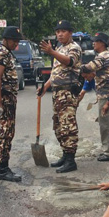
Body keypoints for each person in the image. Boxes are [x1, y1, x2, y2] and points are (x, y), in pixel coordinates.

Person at [38, 20, 82, 173]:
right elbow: (55, 72)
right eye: (58, 31)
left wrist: (51, 52)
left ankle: (71, 160)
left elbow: (69, 62)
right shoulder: (59, 48)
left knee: (68, 126)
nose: (60, 34)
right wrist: (45, 86)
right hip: (57, 92)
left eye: (63, 31)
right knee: (58, 125)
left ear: (70, 33)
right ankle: (65, 154)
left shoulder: (74, 48)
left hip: (68, 92)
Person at [0, 26, 23, 182]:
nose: (15, 43)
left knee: (0, 133)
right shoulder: (3, 53)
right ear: (6, 39)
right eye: (14, 40)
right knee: (6, 133)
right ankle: (3, 169)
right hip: (5, 100)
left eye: (17, 41)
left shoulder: (4, 52)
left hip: (6, 99)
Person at [80, 32, 109, 162]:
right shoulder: (106, 56)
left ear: (102, 43)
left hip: (106, 95)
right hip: (107, 94)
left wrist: (75, 66)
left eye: (95, 41)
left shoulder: (103, 56)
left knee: (105, 124)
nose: (93, 43)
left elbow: (89, 67)